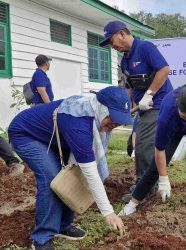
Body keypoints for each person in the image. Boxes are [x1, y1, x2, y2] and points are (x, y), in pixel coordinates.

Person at [8, 86, 131, 250]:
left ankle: (63, 226)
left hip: (54, 136)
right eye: (112, 117)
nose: (115, 124)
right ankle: (41, 238)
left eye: (120, 120)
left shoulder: (94, 116)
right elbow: (91, 173)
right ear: (101, 108)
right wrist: (108, 212)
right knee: (51, 177)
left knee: (70, 176)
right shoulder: (79, 123)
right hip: (25, 134)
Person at [118, 77, 186, 225]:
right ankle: (132, 204)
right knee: (154, 168)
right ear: (179, 106)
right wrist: (164, 178)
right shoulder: (168, 112)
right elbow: (160, 150)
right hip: (174, 128)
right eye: (184, 116)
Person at [99, 20, 173, 201]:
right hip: (143, 107)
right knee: (138, 144)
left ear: (122, 34)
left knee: (143, 146)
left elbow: (164, 69)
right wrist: (123, 107)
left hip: (159, 104)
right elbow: (130, 88)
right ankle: (147, 183)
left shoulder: (145, 47)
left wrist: (149, 94)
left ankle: (145, 188)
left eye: (111, 40)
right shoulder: (125, 61)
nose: (112, 45)